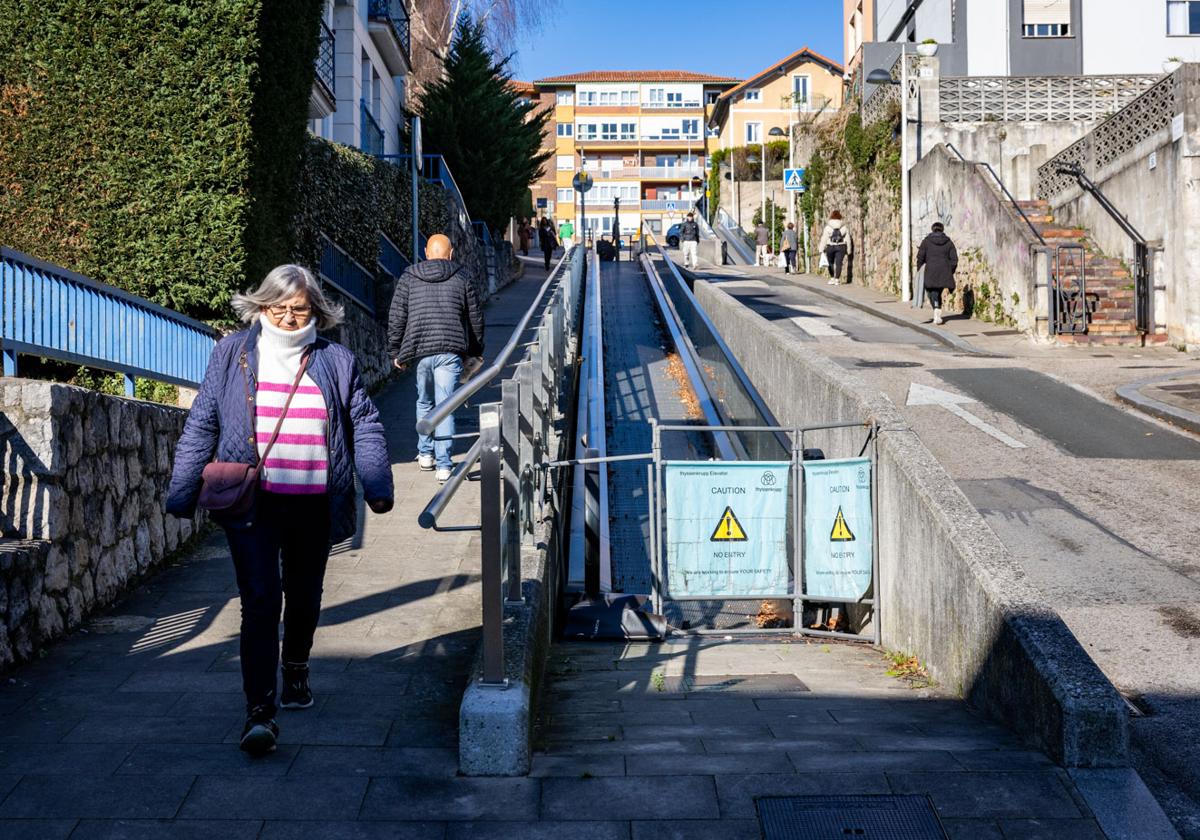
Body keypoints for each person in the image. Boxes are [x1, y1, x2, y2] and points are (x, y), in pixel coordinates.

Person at [165, 265, 394, 757]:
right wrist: (182, 489)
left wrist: (376, 481)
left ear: (316, 311)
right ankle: (259, 712)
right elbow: (203, 420)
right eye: (279, 308)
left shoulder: (337, 360)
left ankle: (296, 668)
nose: (289, 318)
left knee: (305, 596)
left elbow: (365, 424)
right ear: (262, 306)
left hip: (314, 502)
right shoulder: (232, 354)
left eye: (300, 309)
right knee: (261, 601)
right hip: (253, 504)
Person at [387, 233, 484, 482]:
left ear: (427, 254)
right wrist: (475, 350)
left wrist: (395, 350)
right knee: (446, 407)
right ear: (450, 254)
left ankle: (426, 453)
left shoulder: (409, 276)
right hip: (450, 350)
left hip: (420, 351)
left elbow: (397, 315)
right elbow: (475, 318)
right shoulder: (461, 276)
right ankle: (443, 465)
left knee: (424, 402)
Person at [916, 221, 958, 325]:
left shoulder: (926, 241)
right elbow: (954, 259)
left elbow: (920, 257)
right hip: (944, 271)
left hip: (930, 271)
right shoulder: (949, 242)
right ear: (942, 229)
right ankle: (937, 310)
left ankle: (936, 309)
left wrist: (919, 269)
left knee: (932, 292)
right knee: (937, 291)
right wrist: (950, 270)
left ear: (932, 229)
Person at [819, 210, 852, 285]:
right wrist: (849, 250)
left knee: (830, 262)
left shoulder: (828, 227)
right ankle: (837, 279)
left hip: (830, 246)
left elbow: (824, 238)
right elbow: (848, 239)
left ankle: (832, 278)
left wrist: (821, 249)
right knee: (839, 263)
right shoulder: (844, 227)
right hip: (841, 246)